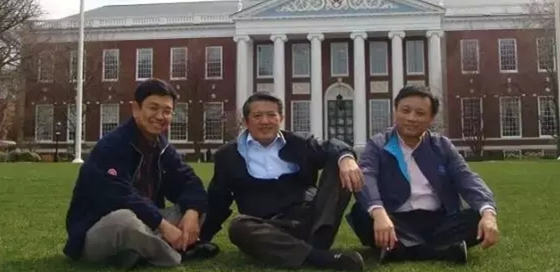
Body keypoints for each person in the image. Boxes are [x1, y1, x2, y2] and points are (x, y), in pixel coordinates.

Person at [199, 91, 366, 271]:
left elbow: (333, 146)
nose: (265, 121)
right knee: (238, 227)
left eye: (271, 115)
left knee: (338, 161)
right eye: (257, 116)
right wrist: (201, 238)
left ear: (281, 118)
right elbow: (218, 201)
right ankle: (319, 257)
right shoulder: (228, 155)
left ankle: (308, 249)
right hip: (269, 228)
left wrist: (346, 157)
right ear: (246, 122)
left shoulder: (299, 142)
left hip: (314, 222)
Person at [63, 79, 219, 269]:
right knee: (125, 221)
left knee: (194, 207)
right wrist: (162, 225)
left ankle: (137, 253)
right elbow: (120, 196)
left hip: (147, 223)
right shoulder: (112, 146)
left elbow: (189, 181)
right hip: (99, 230)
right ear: (136, 109)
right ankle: (175, 255)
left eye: (167, 111)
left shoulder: (162, 148)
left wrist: (192, 213)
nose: (160, 116)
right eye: (153, 108)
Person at [346, 85, 499, 264]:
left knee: (478, 216)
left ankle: (400, 250)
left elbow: (466, 177)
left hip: (439, 221)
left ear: (431, 118)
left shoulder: (442, 146)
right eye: (405, 111)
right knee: (362, 214)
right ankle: (443, 251)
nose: (411, 118)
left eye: (420, 113)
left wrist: (488, 214)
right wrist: (379, 214)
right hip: (394, 219)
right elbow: (367, 176)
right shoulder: (378, 144)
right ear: (395, 111)